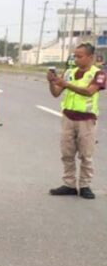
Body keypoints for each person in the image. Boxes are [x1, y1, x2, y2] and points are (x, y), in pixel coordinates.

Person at [48, 42, 105, 199]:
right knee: (67, 153)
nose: (76, 59)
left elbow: (88, 92)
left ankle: (85, 185)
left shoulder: (98, 74)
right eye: (75, 56)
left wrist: (66, 84)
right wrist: (52, 82)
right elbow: (56, 93)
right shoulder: (69, 72)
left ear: (90, 57)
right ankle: (69, 184)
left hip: (86, 119)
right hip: (68, 117)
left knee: (86, 154)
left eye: (80, 56)